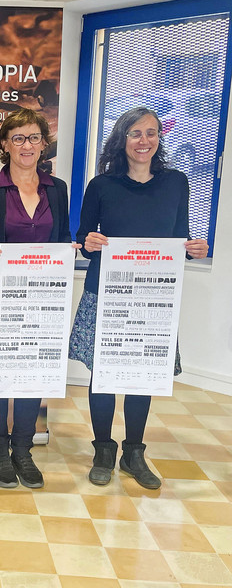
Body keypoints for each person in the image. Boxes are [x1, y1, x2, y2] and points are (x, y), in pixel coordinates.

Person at [69, 106, 208, 490]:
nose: (144, 141)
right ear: (122, 139)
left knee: (142, 375)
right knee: (103, 376)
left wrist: (192, 249)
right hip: (106, 292)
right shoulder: (101, 185)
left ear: (159, 138)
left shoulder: (176, 183)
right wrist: (89, 242)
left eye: (151, 133)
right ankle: (102, 450)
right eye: (135, 133)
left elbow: (178, 238)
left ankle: (133, 453)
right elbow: (82, 239)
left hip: (151, 294)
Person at [0, 108, 78, 490]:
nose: (26, 145)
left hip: (42, 298)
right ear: (4, 146)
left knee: (32, 374)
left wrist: (69, 249)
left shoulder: (57, 189)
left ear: (43, 144)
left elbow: (61, 235)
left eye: (32, 138)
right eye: (17, 138)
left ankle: (23, 450)